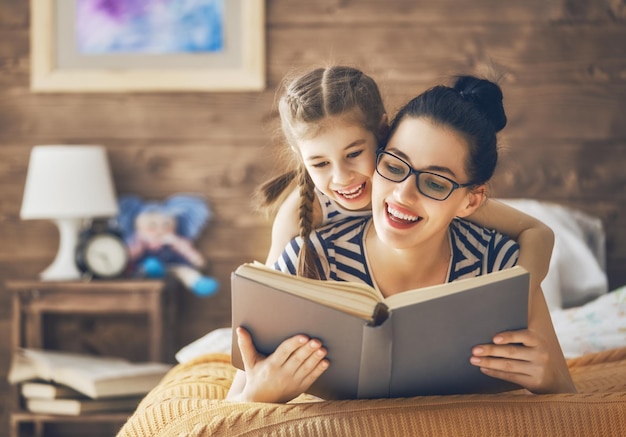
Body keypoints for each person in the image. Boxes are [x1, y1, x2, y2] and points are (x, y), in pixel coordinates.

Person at [227, 75, 576, 403]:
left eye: (435, 183)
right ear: (382, 154)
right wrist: (256, 395)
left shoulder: (499, 263)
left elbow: (569, 399)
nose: (403, 195)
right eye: (394, 166)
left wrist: (552, 381)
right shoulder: (308, 253)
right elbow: (235, 404)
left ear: (471, 200)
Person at [259, 66, 552, 294]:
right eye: (320, 163)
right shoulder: (307, 208)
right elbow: (267, 294)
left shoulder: (439, 199)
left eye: (354, 153)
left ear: (384, 134)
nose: (341, 177)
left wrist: (520, 295)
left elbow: (538, 231)